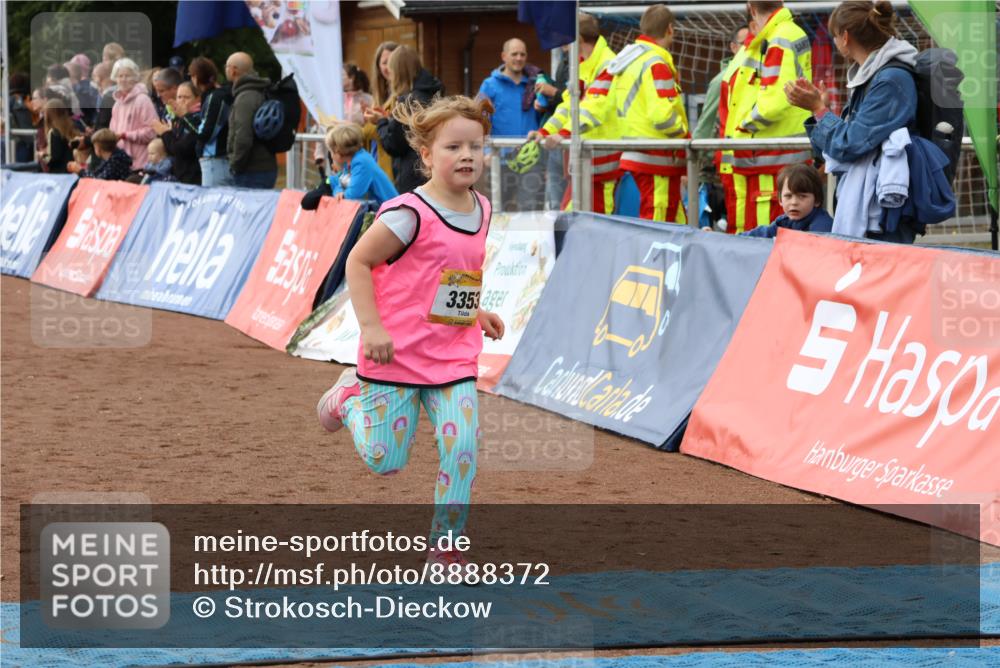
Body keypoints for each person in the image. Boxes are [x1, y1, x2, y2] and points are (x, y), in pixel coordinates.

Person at [317, 96, 504, 569]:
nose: (467, 156)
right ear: (426, 154)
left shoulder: (482, 208)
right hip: (395, 355)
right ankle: (348, 399)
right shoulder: (407, 213)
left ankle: (445, 550)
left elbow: (451, 275)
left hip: (452, 356)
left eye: (475, 147)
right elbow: (358, 262)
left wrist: (476, 312)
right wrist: (371, 328)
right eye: (453, 147)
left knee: (462, 446)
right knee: (385, 460)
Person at [785, 1, 919, 243]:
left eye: (834, 36)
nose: (835, 42)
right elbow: (835, 148)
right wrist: (819, 113)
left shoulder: (890, 80)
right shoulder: (872, 75)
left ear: (845, 37)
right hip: (874, 206)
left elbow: (850, 144)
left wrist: (819, 109)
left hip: (885, 210)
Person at [590, 4, 689, 222]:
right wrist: (684, 135)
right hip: (657, 155)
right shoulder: (656, 63)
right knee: (658, 217)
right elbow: (663, 117)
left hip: (638, 150)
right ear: (670, 29)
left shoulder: (629, 60)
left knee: (669, 215)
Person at [721, 1, 813, 234]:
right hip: (778, 154)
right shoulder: (783, 34)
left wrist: (742, 127)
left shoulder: (777, 39)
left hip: (769, 155)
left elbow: (772, 105)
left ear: (751, 7)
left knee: (766, 236)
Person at [533, 12, 618, 213]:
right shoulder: (583, 64)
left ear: (578, 38)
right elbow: (568, 105)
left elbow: (593, 108)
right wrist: (545, 131)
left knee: (596, 222)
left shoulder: (608, 64)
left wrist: (563, 134)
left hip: (602, 162)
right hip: (586, 161)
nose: (561, 43)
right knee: (572, 219)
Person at [477, 38, 545, 211]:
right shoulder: (489, 85)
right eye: (514, 54)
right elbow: (479, 121)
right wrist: (485, 152)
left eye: (522, 54)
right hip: (499, 160)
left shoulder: (535, 84)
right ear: (504, 56)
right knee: (498, 212)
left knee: (529, 212)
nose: (519, 58)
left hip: (530, 160)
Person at [371, 46, 444, 193]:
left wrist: (381, 122)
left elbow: (394, 145)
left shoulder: (408, 101)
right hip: (433, 170)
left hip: (412, 175)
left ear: (397, 71)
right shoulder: (433, 93)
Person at [301, 123, 398, 210]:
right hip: (382, 210)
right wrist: (339, 193)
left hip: (391, 211)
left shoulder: (362, 162)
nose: (331, 156)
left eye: (332, 151)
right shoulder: (351, 162)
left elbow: (353, 194)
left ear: (339, 152)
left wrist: (341, 194)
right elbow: (341, 184)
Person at [225, 51, 277, 189]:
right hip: (263, 167)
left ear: (234, 70)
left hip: (251, 171)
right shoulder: (257, 91)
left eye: (227, 66)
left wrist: (235, 164)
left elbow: (243, 136)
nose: (225, 70)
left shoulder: (245, 97)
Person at [742, 163, 832, 237]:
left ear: (817, 200)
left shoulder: (822, 227)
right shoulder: (783, 222)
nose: (794, 202)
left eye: (802, 196)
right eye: (788, 196)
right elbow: (755, 236)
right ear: (780, 199)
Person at [189, 56, 234, 187]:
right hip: (218, 161)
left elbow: (205, 134)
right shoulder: (214, 95)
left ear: (195, 77)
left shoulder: (215, 97)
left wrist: (185, 117)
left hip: (215, 161)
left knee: (213, 200)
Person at [109, 57, 158, 167]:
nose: (123, 79)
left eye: (127, 75)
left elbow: (152, 132)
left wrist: (125, 135)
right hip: (121, 164)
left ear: (135, 78)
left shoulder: (143, 100)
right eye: (120, 76)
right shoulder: (117, 105)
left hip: (141, 163)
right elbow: (112, 134)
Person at [152, 81, 202, 185]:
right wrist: (165, 134)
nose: (182, 101)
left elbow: (182, 149)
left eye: (186, 97)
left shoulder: (197, 118)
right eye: (179, 97)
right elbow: (171, 149)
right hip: (179, 174)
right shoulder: (177, 119)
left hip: (194, 175)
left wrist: (166, 133)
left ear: (197, 99)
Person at [364, 41, 399, 182]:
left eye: (393, 61)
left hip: (392, 168)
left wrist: (362, 129)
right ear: (378, 66)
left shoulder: (402, 96)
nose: (389, 66)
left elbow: (383, 131)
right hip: (377, 161)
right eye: (385, 62)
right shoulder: (379, 96)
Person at [38, 100, 78, 173]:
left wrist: (42, 156)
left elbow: (53, 159)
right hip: (71, 171)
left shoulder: (53, 132)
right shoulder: (70, 128)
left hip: (58, 173)